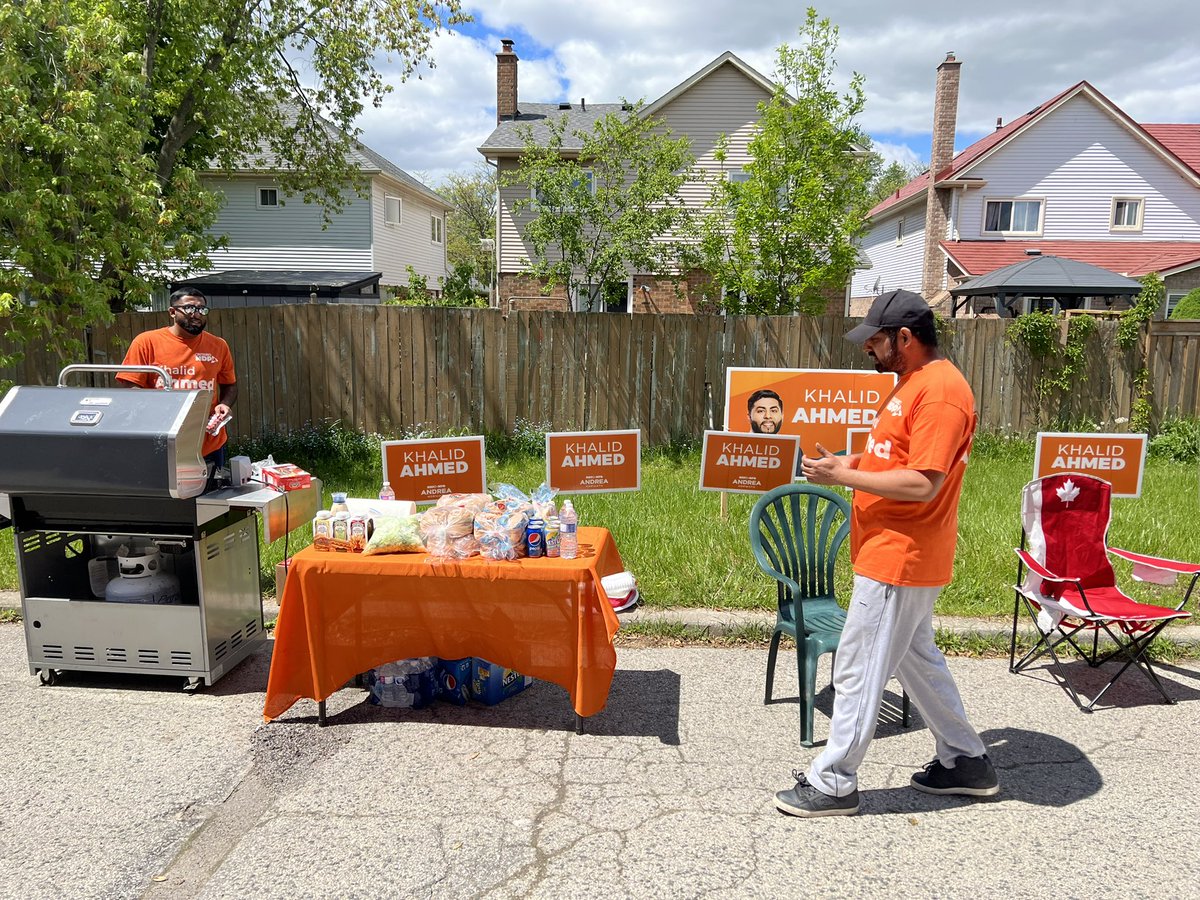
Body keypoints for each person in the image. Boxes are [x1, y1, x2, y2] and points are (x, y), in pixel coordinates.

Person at [775, 288, 998, 818]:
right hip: (894, 551)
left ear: (905, 337)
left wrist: (842, 475)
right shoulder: (913, 382)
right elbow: (894, 455)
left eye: (875, 339)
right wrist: (851, 460)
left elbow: (924, 481)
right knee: (916, 661)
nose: (867, 349)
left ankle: (833, 783)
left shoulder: (941, 392)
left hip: (902, 554)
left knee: (857, 665)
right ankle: (967, 761)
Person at [116, 288, 237, 478]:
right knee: (166, 503)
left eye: (202, 310)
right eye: (190, 309)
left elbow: (230, 384)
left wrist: (224, 404)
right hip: (162, 441)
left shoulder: (218, 345)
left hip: (208, 443)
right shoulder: (146, 342)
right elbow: (130, 387)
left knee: (209, 504)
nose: (197, 314)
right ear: (172, 312)